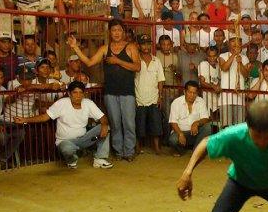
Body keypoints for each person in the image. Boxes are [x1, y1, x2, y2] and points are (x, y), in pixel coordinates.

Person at [67, 19, 140, 161]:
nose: (116, 33)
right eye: (114, 30)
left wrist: (117, 61)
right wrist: (75, 47)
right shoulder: (104, 49)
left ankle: (129, 151)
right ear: (109, 32)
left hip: (127, 92)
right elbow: (89, 62)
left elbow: (137, 67)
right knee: (115, 124)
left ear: (123, 32)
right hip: (110, 92)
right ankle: (118, 152)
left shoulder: (131, 47)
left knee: (129, 124)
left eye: (119, 30)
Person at [15, 81, 112, 170]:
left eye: (80, 93)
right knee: (67, 149)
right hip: (65, 141)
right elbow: (45, 117)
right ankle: (72, 160)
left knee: (106, 127)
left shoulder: (88, 103)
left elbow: (103, 118)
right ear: (69, 94)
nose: (78, 96)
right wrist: (25, 120)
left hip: (83, 139)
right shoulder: (61, 103)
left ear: (83, 94)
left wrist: (104, 125)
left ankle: (99, 158)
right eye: (75, 92)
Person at [135, 33, 164, 155]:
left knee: (156, 124)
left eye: (148, 44)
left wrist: (160, 96)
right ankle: (138, 147)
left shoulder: (156, 61)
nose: (146, 46)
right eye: (143, 44)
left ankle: (156, 147)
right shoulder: (135, 61)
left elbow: (160, 80)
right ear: (138, 45)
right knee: (139, 125)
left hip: (153, 98)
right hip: (139, 98)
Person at [168, 80, 212, 156]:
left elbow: (205, 118)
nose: (192, 95)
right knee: (173, 140)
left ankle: (196, 151)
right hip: (181, 132)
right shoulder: (176, 102)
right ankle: (181, 150)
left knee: (207, 127)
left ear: (197, 93)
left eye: (194, 93)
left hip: (195, 133)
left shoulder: (200, 101)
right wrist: (180, 134)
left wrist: (196, 123)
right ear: (184, 92)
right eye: (190, 92)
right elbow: (173, 122)